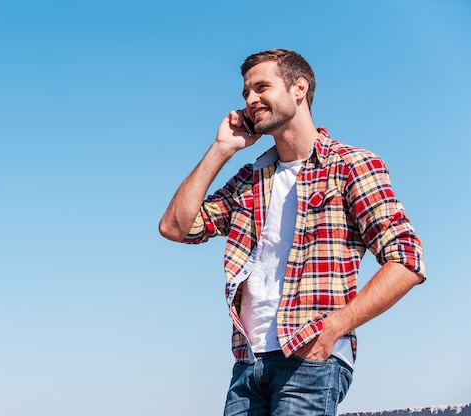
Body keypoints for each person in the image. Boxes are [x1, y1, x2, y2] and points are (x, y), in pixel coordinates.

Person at [158, 49, 425, 416]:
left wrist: (333, 329)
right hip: (248, 365)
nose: (250, 100)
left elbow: (407, 261)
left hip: (310, 361)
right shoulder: (249, 180)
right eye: (246, 93)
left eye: (261, 87)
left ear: (299, 88)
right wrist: (222, 149)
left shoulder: (350, 166)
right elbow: (175, 227)